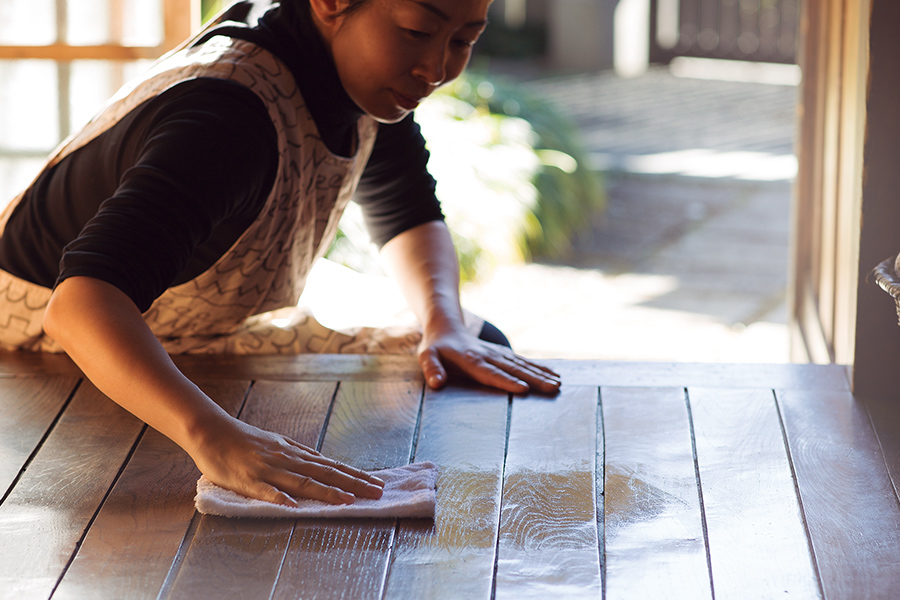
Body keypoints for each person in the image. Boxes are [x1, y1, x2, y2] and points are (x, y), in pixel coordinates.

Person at [0, 0, 561, 507]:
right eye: (417, 31)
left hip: (201, 313)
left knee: (471, 343)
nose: (436, 69)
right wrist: (212, 436)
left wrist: (444, 323)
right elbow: (80, 305)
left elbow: (406, 207)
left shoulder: (363, 79)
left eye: (463, 40)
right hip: (60, 336)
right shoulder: (229, 117)